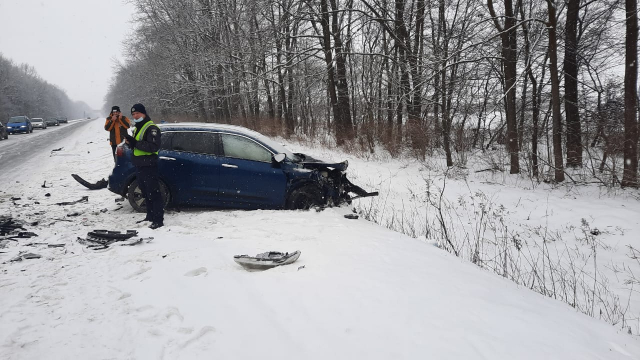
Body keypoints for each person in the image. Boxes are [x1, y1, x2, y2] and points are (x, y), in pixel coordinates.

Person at [124, 103, 164, 229]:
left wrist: (134, 142)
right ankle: (150, 216)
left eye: (137, 113)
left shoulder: (151, 128)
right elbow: (137, 146)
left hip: (149, 165)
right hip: (140, 165)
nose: (135, 116)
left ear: (144, 113)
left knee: (154, 192)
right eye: (133, 114)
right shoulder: (137, 127)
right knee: (146, 192)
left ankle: (158, 220)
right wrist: (130, 143)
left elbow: (153, 147)